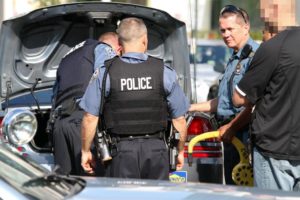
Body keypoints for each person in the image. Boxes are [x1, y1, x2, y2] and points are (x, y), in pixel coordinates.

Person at [80, 17, 189, 180]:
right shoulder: (164, 71)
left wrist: (85, 151)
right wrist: (180, 151)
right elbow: (179, 119)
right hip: (157, 152)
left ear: (119, 44)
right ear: (145, 40)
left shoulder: (105, 73)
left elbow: (90, 118)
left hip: (122, 153)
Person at [232, 0, 300, 191]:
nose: (261, 15)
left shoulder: (273, 47)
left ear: (273, 8)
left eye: (262, 9)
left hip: (274, 152)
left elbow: (238, 98)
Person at [189, 5, 259, 185]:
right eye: (222, 30)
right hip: (231, 137)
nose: (226, 34)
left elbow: (254, 104)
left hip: (244, 137)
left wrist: (232, 128)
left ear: (245, 27)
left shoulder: (254, 58)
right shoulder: (236, 57)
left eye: (230, 29)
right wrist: (190, 107)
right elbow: (225, 102)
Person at [51, 32, 121, 175]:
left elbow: (55, 95)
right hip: (82, 124)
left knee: (65, 187)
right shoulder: (104, 49)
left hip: (59, 125)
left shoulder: (67, 57)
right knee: (93, 187)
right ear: (118, 48)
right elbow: (106, 80)